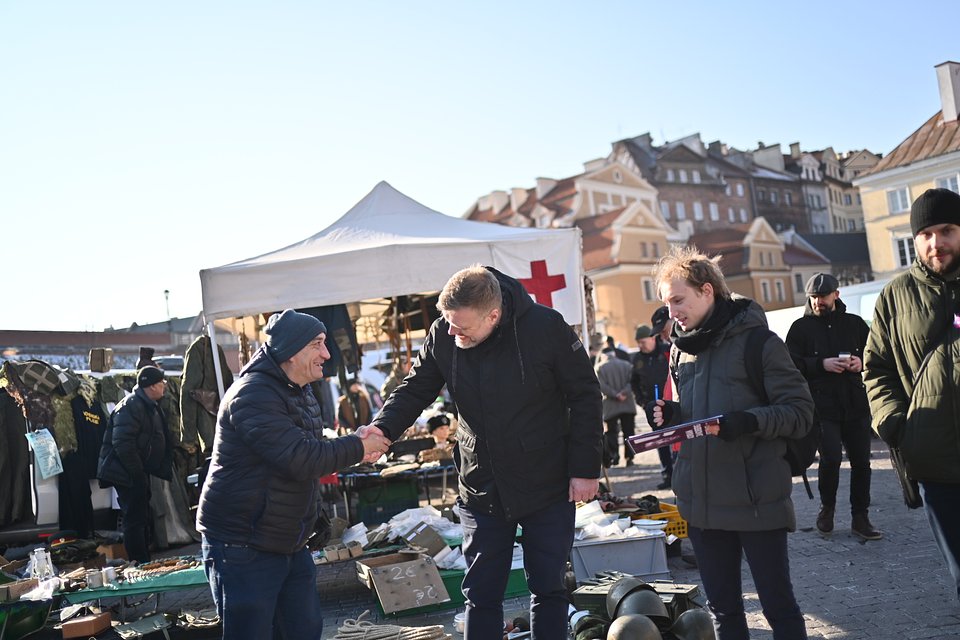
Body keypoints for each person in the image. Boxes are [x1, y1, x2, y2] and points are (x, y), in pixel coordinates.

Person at [367, 264, 602, 638]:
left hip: (546, 480)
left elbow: (585, 397)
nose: (451, 331)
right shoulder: (445, 333)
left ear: (494, 315)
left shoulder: (545, 327)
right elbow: (416, 389)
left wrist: (586, 469)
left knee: (549, 588)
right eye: (447, 322)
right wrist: (382, 429)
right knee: (481, 593)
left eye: (461, 326)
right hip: (482, 486)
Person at [646, 245, 814, 640]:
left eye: (677, 300)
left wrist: (747, 421)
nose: (672, 313)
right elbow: (697, 416)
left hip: (755, 499)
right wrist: (673, 415)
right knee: (724, 612)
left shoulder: (759, 343)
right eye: (666, 303)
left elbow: (800, 412)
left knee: (778, 608)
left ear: (707, 291)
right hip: (701, 504)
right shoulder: (681, 351)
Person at [196, 309, 391, 640]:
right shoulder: (252, 394)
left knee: (303, 630)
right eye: (318, 344)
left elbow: (302, 458)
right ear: (291, 349)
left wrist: (314, 516)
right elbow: (300, 458)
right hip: (242, 543)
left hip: (286, 539)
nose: (327, 355)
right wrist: (358, 447)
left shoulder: (298, 390)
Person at [864, 187, 960, 600]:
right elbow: (876, 368)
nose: (936, 242)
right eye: (925, 234)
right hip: (934, 460)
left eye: (947, 230)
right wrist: (894, 422)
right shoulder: (895, 296)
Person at [785, 272, 880, 541]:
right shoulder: (800, 329)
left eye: (822, 296)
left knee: (862, 462)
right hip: (822, 406)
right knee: (831, 460)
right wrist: (821, 365)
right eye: (813, 297)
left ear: (836, 295)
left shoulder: (854, 324)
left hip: (855, 403)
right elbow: (790, 365)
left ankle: (860, 517)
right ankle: (827, 508)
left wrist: (859, 363)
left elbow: (874, 352)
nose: (818, 302)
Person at [97, 366, 173, 564]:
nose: (165, 385)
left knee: (141, 516)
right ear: (151, 386)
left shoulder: (147, 404)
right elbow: (122, 444)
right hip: (126, 472)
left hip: (136, 471)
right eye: (161, 382)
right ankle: (138, 562)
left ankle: (144, 559)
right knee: (134, 518)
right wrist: (137, 473)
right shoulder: (131, 405)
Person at [631, 324, 673, 487]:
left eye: (643, 341)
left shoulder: (666, 350)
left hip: (671, 404)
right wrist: (641, 401)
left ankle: (679, 473)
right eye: (638, 342)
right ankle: (667, 475)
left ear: (652, 338)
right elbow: (634, 382)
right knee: (660, 442)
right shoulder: (638, 359)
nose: (640, 345)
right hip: (653, 408)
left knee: (676, 439)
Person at [595, 341, 637, 469]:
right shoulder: (627, 365)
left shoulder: (599, 368)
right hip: (627, 403)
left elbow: (601, 386)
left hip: (610, 405)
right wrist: (624, 393)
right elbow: (633, 382)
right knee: (629, 432)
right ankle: (629, 457)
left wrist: (615, 394)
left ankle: (614, 456)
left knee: (611, 433)